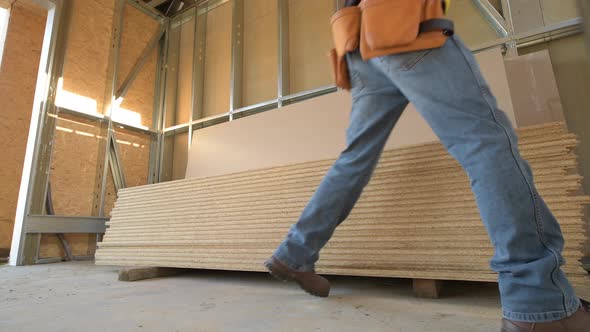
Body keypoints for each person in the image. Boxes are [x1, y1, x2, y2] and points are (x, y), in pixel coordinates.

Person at [264, 0, 590, 331]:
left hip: (356, 39)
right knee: (484, 142)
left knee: (354, 158)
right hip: (401, 18)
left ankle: (296, 251)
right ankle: (539, 301)